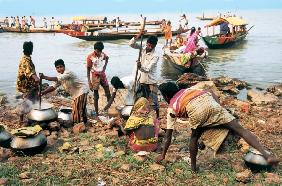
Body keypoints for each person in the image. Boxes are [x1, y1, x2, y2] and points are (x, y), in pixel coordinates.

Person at [155, 82, 279, 172]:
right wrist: (218, 107)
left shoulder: (171, 107)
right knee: (240, 130)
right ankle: (266, 155)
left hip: (196, 112)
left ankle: (193, 168)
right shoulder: (189, 90)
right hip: (211, 103)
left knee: (194, 138)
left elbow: (168, 136)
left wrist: (163, 155)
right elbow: (211, 92)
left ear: (166, 97)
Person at [40, 59, 89, 125]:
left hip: (81, 90)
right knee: (80, 108)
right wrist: (43, 92)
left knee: (77, 110)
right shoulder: (60, 75)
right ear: (56, 69)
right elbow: (54, 86)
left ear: (64, 66)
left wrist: (44, 77)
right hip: (76, 93)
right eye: (57, 68)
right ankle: (83, 123)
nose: (59, 69)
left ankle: (78, 125)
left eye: (61, 67)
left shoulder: (68, 73)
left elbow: (57, 79)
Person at [129, 31, 160, 118]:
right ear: (147, 43)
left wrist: (140, 66)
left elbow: (148, 69)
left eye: (151, 46)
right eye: (148, 45)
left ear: (155, 45)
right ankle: (142, 115)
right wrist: (139, 34)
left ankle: (157, 116)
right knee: (142, 99)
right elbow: (131, 44)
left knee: (154, 101)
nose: (149, 47)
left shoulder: (156, 55)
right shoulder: (142, 47)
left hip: (151, 80)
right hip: (141, 79)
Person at [16, 41, 40, 123]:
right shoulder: (25, 60)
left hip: (27, 84)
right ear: (29, 49)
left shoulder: (27, 58)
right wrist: (37, 78)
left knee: (32, 100)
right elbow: (29, 72)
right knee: (27, 101)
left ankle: (32, 116)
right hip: (26, 85)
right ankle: (22, 120)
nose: (32, 50)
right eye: (31, 48)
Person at [86, 41, 111, 116]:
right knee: (96, 95)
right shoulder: (90, 57)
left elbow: (107, 58)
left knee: (108, 92)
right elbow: (88, 69)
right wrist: (89, 83)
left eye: (101, 51)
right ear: (95, 49)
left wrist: (104, 68)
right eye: (98, 51)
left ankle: (108, 109)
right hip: (95, 76)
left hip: (102, 74)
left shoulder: (102, 54)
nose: (100, 53)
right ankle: (96, 113)